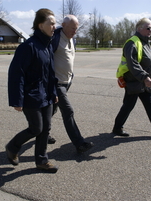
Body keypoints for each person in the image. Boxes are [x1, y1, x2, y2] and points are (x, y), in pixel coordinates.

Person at [5, 8, 59, 173]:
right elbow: (16, 74)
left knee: (46, 128)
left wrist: (54, 92)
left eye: (55, 23)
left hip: (46, 95)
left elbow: (50, 73)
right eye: (51, 23)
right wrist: (17, 100)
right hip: (31, 96)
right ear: (40, 25)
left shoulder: (47, 46)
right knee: (36, 128)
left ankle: (42, 161)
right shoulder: (28, 47)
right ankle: (12, 147)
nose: (54, 27)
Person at [113, 18, 151, 137]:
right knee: (128, 105)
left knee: (149, 103)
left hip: (142, 82)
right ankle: (117, 128)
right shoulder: (132, 42)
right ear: (139, 28)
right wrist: (145, 77)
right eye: (148, 28)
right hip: (134, 81)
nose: (150, 30)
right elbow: (132, 63)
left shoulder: (145, 43)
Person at [49, 15, 94, 153]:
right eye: (72, 28)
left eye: (76, 28)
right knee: (68, 111)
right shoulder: (54, 38)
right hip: (56, 83)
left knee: (51, 109)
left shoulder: (71, 39)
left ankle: (41, 132)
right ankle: (79, 143)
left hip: (66, 81)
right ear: (63, 25)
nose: (75, 31)